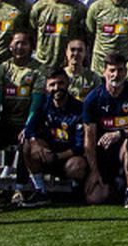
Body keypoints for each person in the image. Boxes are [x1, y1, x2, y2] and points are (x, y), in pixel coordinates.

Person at [0, 29, 46, 205]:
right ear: (10, 46)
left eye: (24, 43)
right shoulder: (2, 69)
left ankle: (19, 189)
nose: (20, 47)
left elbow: (36, 102)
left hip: (29, 123)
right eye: (17, 43)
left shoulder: (38, 69)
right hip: (6, 122)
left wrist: (28, 127)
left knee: (24, 144)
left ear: (31, 47)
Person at [19, 68, 89, 207]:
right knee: (27, 143)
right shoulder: (43, 105)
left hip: (68, 157)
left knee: (77, 165)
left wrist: (57, 156)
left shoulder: (79, 108)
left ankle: (76, 191)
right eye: (52, 85)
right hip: (48, 155)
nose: (57, 88)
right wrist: (35, 143)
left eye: (60, 83)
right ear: (46, 87)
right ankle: (41, 191)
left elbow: (80, 146)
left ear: (68, 83)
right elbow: (29, 129)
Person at [81, 56, 128, 206]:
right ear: (104, 72)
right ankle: (112, 185)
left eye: (120, 70)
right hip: (103, 153)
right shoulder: (93, 98)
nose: (116, 74)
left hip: (124, 149)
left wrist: (119, 134)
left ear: (126, 72)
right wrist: (94, 171)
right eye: (112, 70)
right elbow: (89, 138)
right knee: (95, 199)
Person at [29, 0, 87, 76]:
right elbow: (32, 34)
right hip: (42, 66)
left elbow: (84, 38)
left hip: (67, 68)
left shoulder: (79, 9)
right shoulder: (39, 7)